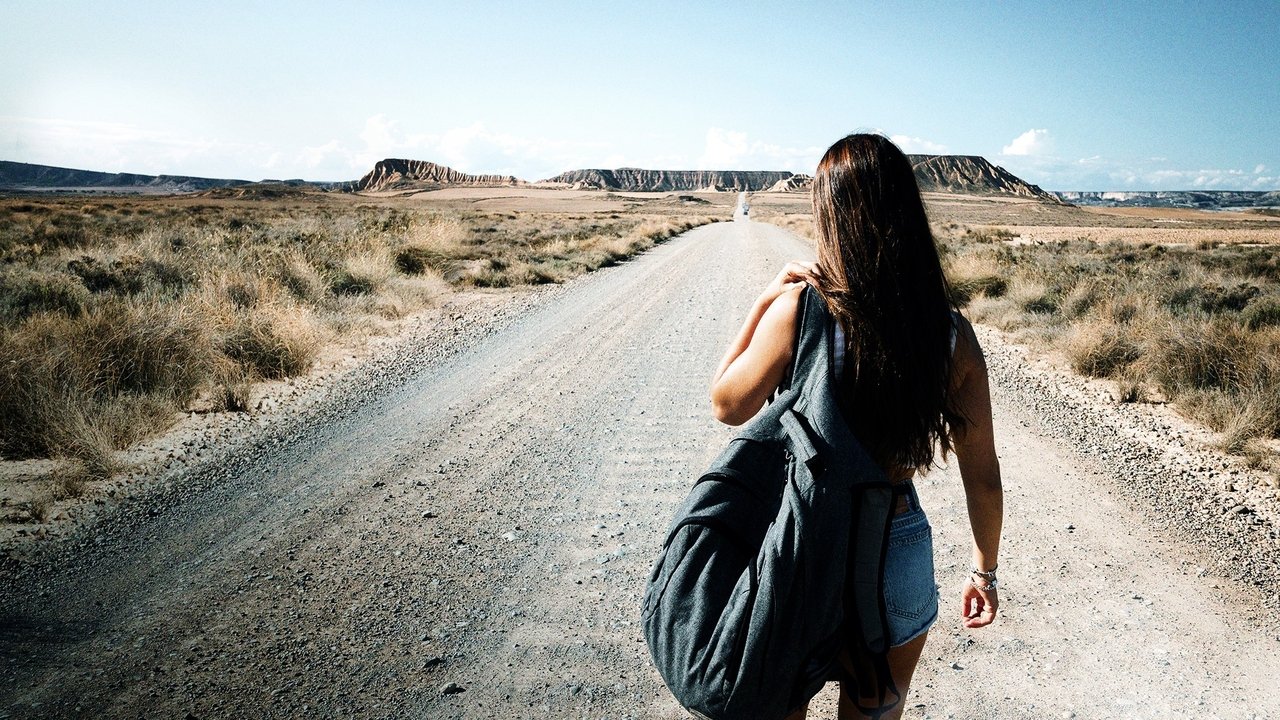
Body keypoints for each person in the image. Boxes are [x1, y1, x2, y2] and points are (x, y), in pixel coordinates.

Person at [708, 133, 1004, 719]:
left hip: (805, 544)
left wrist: (764, 301)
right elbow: (984, 477)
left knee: (778, 702)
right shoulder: (951, 336)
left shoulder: (803, 310)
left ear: (831, 214)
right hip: (895, 547)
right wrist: (984, 572)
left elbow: (726, 402)